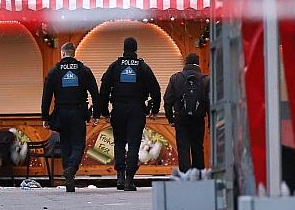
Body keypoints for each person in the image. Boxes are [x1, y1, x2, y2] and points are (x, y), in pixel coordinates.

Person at [99, 37, 161, 191]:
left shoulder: (115, 66)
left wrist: (105, 112)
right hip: (137, 109)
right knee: (133, 144)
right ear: (136, 49)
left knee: (119, 142)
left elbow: (104, 90)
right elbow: (156, 90)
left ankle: (119, 176)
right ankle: (129, 180)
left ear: (124, 48)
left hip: (118, 109)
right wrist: (154, 110)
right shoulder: (143, 67)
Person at [41, 42, 100, 192]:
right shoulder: (83, 70)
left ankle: (69, 178)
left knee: (66, 144)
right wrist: (96, 114)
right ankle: (72, 169)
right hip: (78, 112)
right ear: (73, 53)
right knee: (78, 144)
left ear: (62, 53)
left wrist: (45, 117)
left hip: (61, 113)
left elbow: (46, 96)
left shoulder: (54, 71)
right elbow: (95, 93)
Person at [164, 52, 210, 173]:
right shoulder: (205, 80)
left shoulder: (176, 78)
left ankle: (185, 176)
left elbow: (167, 100)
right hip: (198, 119)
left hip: (181, 119)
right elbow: (210, 103)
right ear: (198, 63)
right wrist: (211, 122)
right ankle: (199, 175)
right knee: (197, 147)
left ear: (185, 63)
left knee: (183, 147)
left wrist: (170, 119)